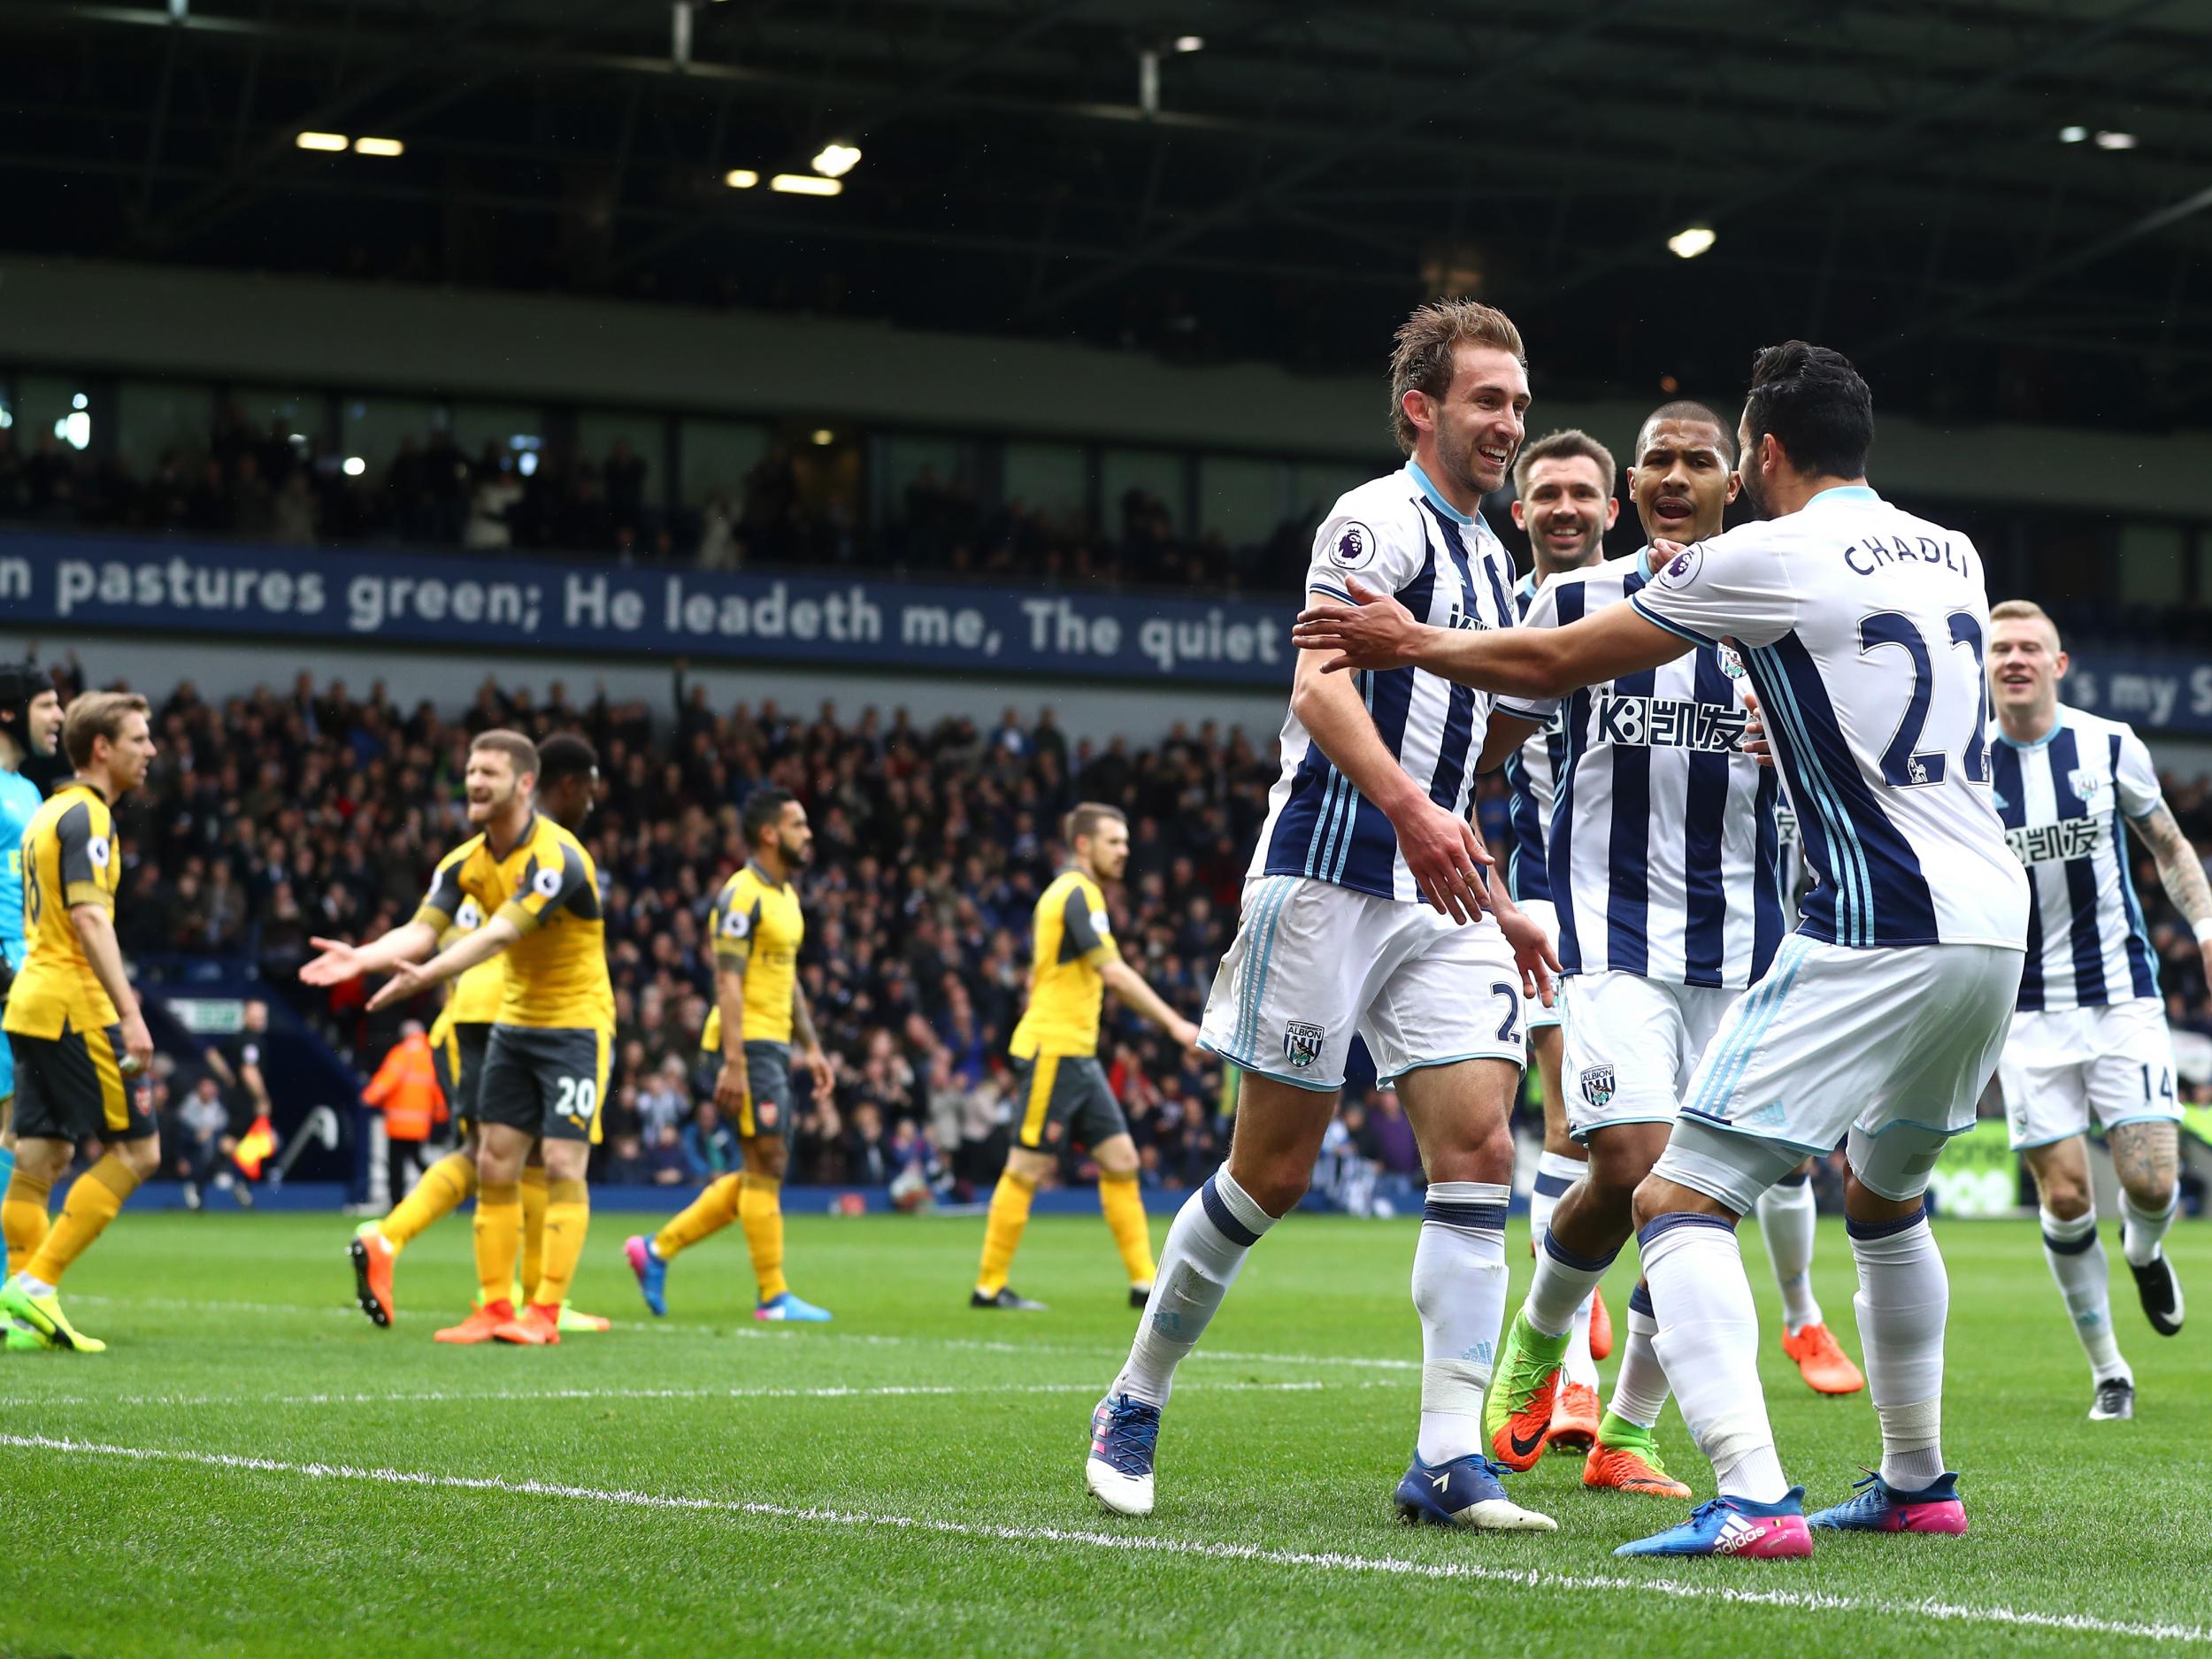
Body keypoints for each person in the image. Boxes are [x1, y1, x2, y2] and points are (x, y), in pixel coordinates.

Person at [1295, 341, 2026, 1557]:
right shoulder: (1952, 550)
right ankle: (1913, 1477)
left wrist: (1408, 641)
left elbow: (1552, 660)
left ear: (1765, 460)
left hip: (1870, 920)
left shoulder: (1759, 559)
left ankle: (1747, 1490)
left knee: (1678, 1196)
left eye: (1721, 453)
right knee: (1887, 1194)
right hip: (1990, 920)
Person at [1084, 299, 1559, 1531]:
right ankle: (1134, 1395)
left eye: (1518, 399)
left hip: (1439, 892)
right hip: (1331, 871)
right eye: (1487, 400)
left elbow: (1464, 761)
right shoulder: (1375, 518)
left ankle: (1447, 1457)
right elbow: (1321, 684)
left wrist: (1495, 898)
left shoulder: (1497, 556)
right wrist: (1412, 811)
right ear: (1422, 407)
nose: (1509, 421)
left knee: (1481, 1151)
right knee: (1272, 1171)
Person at [1479, 408, 1862, 1505]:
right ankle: (1539, 1348)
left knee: (1696, 1196)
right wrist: (1487, 884)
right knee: (1637, 1169)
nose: (1679, 477)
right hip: (1609, 940)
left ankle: (1626, 1433)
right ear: (1632, 483)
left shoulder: (1783, 612)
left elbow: (1845, 779)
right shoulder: (1567, 604)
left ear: (1732, 483)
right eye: (1660, 461)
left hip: (1747, 952)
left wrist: (1788, 753)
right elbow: (1485, 753)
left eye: (1701, 461)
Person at [304, 729, 615, 1347]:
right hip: (512, 1024)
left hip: (575, 1025)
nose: (474, 782)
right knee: (496, 1161)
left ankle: (546, 1312)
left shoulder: (558, 858)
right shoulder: (463, 860)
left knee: (559, 1162)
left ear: (525, 784)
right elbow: (423, 931)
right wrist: (364, 957)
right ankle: (496, 1307)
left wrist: (428, 974)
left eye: (489, 773)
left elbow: (499, 934)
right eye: (471, 771)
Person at [1985, 599, 2194, 1420]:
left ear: (2058, 663)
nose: (2015, 659)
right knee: (2068, 1197)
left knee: (2150, 1180)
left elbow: (2169, 844)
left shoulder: (2108, 744)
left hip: (2120, 997)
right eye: (2001, 647)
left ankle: (2145, 1250)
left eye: (2030, 647)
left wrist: (2206, 923)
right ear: (1986, 664)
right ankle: (2110, 1368)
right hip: (2022, 1009)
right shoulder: (1963, 759)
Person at [1499, 431, 1620, 1443]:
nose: (1567, 507)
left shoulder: (1646, 601)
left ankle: (1570, 1308)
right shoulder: (1503, 609)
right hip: (1542, 895)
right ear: (1521, 511)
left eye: (1585, 491)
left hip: (1653, 912)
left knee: (1616, 1150)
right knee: (1564, 1130)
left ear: (1609, 508)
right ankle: (1569, 1369)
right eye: (1549, 494)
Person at [970, 803, 1199, 1313]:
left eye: (1125, 842)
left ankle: (1144, 1283)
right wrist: (1175, 1024)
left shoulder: (1073, 894)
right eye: (1113, 842)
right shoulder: (1077, 893)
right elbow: (1113, 973)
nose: (1124, 851)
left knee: (1122, 1161)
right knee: (1027, 1166)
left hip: (1077, 1052)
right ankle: (988, 1287)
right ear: (1083, 845)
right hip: (1056, 1049)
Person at [624, 787, 838, 1323]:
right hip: (743, 1045)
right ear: (769, 833)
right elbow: (728, 982)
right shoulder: (740, 896)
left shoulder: (786, 898)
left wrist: (811, 1047)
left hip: (772, 1044)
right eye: (798, 824)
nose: (808, 834)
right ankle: (772, 1296)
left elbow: (786, 983)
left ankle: (657, 1250)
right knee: (766, 1164)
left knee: (764, 1164)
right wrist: (736, 1061)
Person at [0, 692, 160, 1352]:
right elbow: (91, 917)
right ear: (103, 748)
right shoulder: (89, 817)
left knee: (40, 1157)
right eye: (139, 739)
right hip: (74, 1003)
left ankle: (19, 1316)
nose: (149, 751)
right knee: (138, 1150)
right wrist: (131, 1011)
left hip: (29, 999)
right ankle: (36, 1285)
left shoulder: (47, 810)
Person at [0, 661, 65, 1201]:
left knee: (22, 1136)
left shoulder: (27, 792)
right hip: (3, 977)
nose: (59, 716)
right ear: (7, 712)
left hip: (25, 974)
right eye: (46, 705)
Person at [362, 1019, 446, 1208]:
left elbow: (386, 1081)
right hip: (420, 1122)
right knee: (417, 1159)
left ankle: (396, 1202)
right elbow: (437, 1088)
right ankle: (443, 1191)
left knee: (396, 1164)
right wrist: (440, 1114)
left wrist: (367, 1098)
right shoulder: (429, 1055)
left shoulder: (401, 1054)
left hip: (398, 1123)